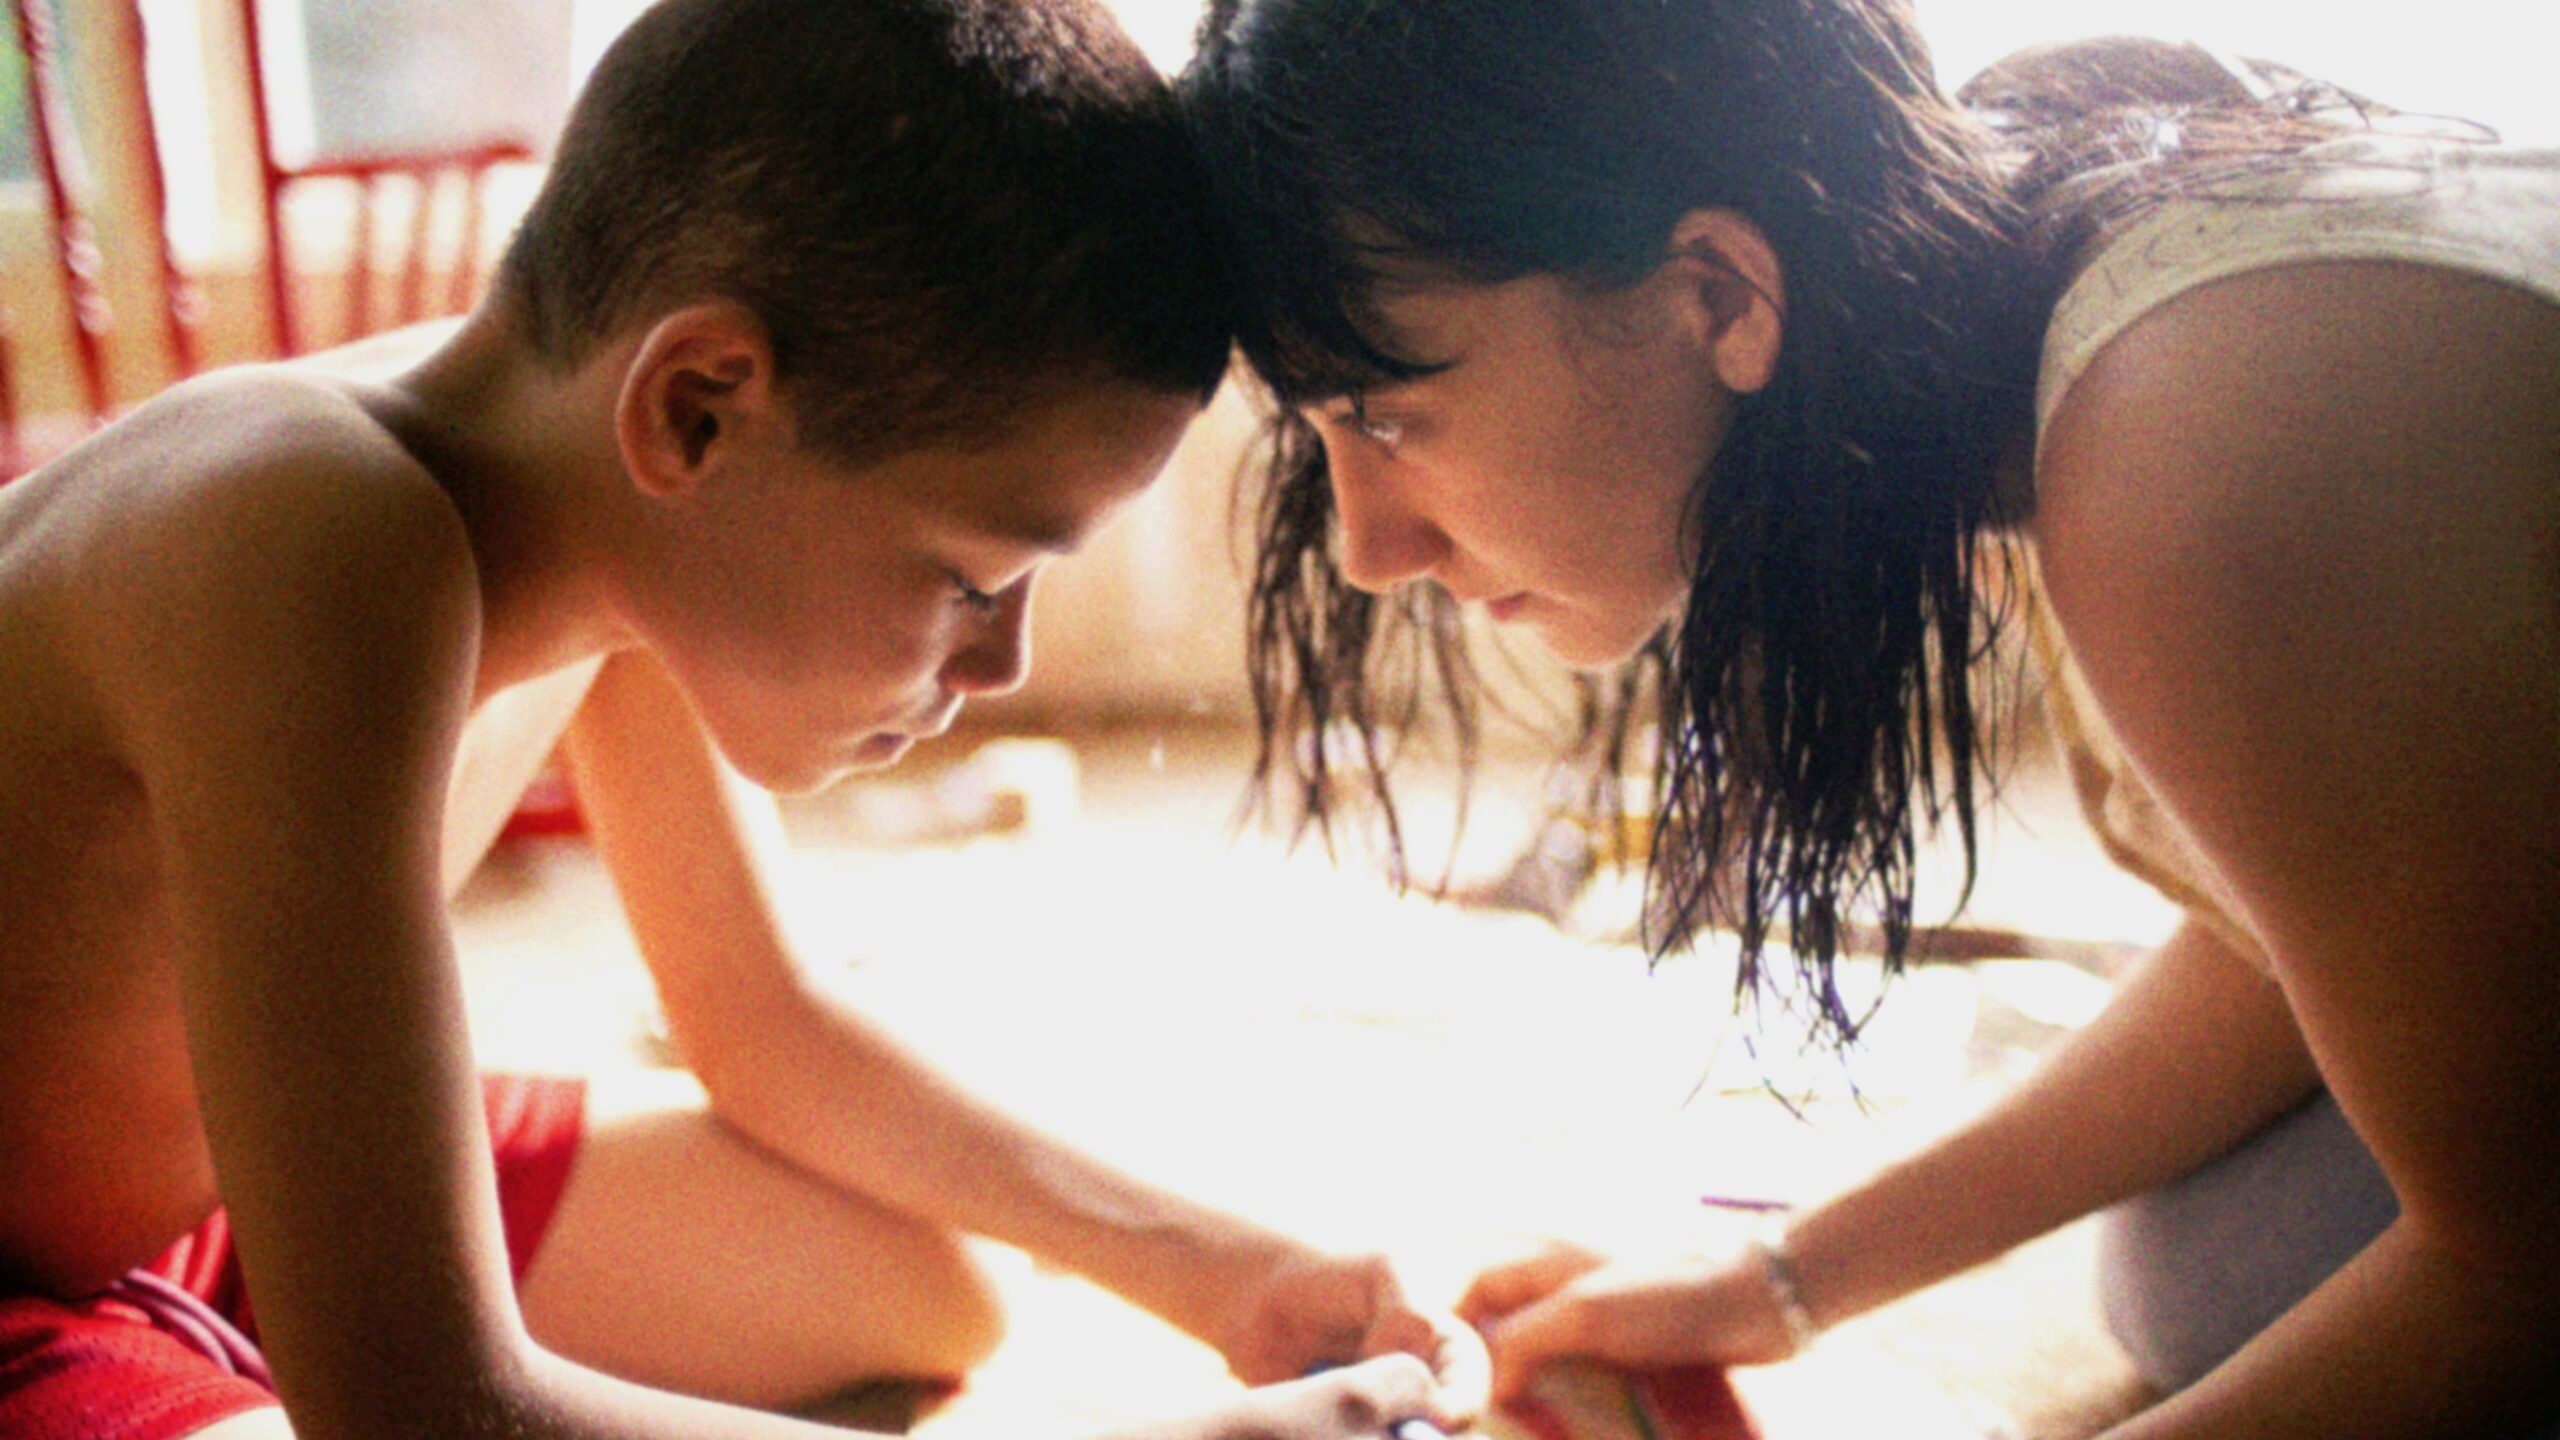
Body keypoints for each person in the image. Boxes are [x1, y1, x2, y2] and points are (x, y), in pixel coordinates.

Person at [0, 2, 1488, 1437]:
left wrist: (1230, 1272)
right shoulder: (309, 537)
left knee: (928, 1281)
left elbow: (767, 1032)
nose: (1004, 662)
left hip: (197, 1198)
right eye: (974, 577)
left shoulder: (594, 496)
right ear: (699, 405)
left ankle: (269, 1318)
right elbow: (415, 1410)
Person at [1183, 3, 2557, 1435]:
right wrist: (1778, 1281)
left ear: (1720, 297)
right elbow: (2315, 931)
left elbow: (2527, 1259)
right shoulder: (2028, 266)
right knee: (2203, 1269)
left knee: (2255, 1288)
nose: (1364, 548)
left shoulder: (2195, 448)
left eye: (1387, 416)